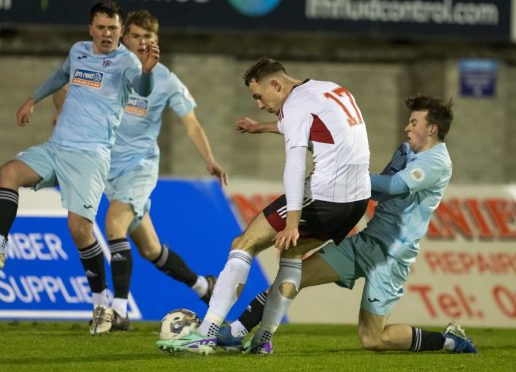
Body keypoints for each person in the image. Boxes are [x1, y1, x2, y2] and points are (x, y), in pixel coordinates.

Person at [0, 1, 160, 336]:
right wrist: (32, 99)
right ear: (90, 28)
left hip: (90, 156)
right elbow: (61, 75)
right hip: (57, 147)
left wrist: (148, 70)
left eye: (113, 28)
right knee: (9, 172)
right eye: (101, 27)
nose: (107, 34)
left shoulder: (127, 62)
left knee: (80, 230)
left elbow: (141, 88)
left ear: (121, 31)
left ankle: (100, 303)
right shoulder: (78, 51)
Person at [217, 95, 477, 354]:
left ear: (431, 128)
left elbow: (394, 186)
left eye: (414, 122)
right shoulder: (405, 151)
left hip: (392, 257)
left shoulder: (437, 162)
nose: (407, 128)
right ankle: (239, 331)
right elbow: (377, 192)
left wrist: (347, 171)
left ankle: (449, 341)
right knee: (295, 276)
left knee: (373, 339)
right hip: (365, 243)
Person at [157, 57, 371, 354]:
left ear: (276, 84)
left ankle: (206, 334)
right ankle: (263, 339)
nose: (258, 103)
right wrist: (261, 127)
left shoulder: (295, 104)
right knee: (292, 256)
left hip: (324, 196)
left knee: (244, 243)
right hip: (356, 201)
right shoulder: (328, 89)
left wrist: (293, 221)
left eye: (258, 96)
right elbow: (316, 128)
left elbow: (294, 166)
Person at [53, 10, 227, 331]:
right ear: (124, 38)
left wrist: (210, 159)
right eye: (136, 36)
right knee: (151, 250)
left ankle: (118, 312)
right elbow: (64, 88)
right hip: (107, 168)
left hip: (140, 167)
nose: (143, 42)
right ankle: (205, 286)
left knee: (113, 225)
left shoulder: (165, 80)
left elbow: (191, 124)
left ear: (156, 42)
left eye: (149, 37)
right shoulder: (107, 65)